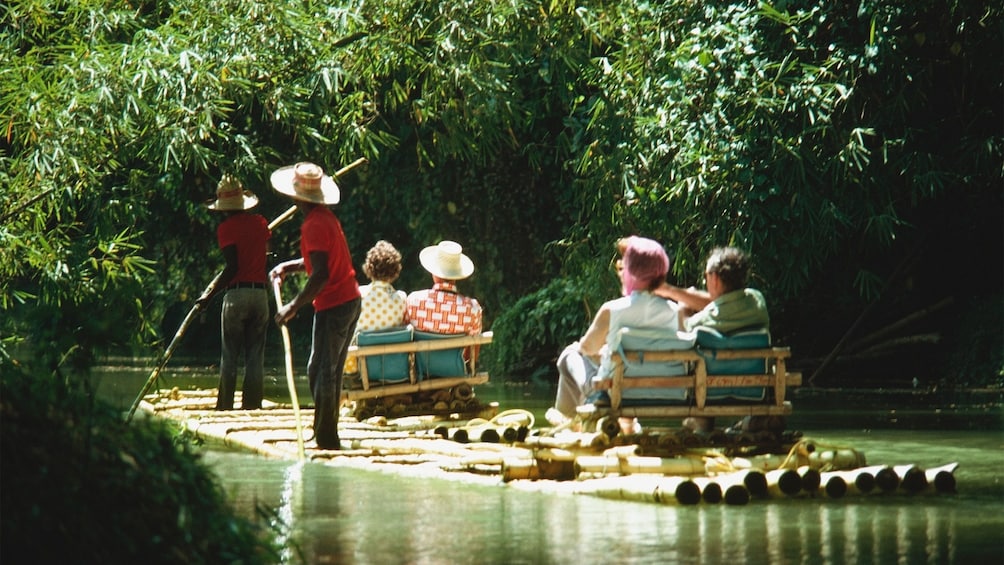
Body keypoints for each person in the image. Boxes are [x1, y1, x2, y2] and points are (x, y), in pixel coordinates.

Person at [269, 162, 361, 450]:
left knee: (321, 370)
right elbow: (317, 262)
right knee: (326, 370)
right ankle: (325, 430)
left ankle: (326, 437)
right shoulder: (324, 218)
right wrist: (287, 266)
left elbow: (321, 273)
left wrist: (293, 306)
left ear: (298, 197)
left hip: (336, 304)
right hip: (348, 300)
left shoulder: (314, 224)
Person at [547, 236, 681, 431]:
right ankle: (625, 424)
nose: (620, 269)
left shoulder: (612, 309)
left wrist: (603, 353)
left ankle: (568, 423)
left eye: (623, 265)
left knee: (570, 354)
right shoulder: (675, 312)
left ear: (631, 271)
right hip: (665, 392)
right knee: (605, 361)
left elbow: (586, 348)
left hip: (614, 393)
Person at [655, 246, 771, 432]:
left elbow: (685, 332)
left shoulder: (703, 322)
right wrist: (672, 291)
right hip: (755, 390)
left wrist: (683, 309)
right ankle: (752, 421)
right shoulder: (757, 302)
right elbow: (722, 303)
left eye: (706, 275)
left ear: (715, 278)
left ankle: (702, 419)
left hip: (711, 393)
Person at [198, 174, 271, 411]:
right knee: (255, 357)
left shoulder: (226, 229)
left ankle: (225, 407)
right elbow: (263, 253)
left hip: (237, 296)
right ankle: (252, 406)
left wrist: (208, 297)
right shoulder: (261, 222)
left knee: (230, 355)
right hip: (260, 295)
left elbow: (232, 267)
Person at [343, 240, 408, 375]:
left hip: (360, 369)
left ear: (369, 268)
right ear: (396, 270)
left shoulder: (358, 296)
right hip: (393, 368)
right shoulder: (401, 299)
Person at [406, 240, 483, 336]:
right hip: (457, 351)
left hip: (420, 352)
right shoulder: (472, 309)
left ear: (434, 272)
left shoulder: (413, 301)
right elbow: (474, 345)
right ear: (457, 275)